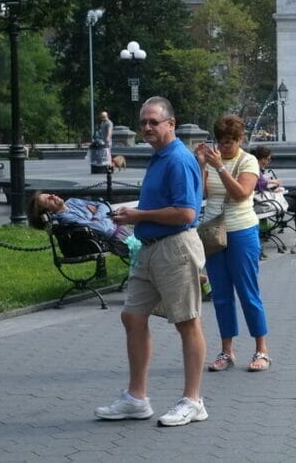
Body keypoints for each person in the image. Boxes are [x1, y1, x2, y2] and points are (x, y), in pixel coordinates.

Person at [96, 96, 207, 428]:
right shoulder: (159, 157)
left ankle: (193, 400)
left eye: (153, 122)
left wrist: (138, 214)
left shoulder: (178, 159)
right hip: (148, 246)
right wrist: (134, 216)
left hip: (175, 248)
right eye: (143, 121)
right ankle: (136, 399)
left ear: (171, 124)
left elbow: (187, 212)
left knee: (187, 322)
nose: (146, 127)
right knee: (132, 316)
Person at [194, 115, 271, 374]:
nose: (224, 146)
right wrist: (201, 164)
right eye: (221, 141)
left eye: (229, 142)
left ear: (240, 140)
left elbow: (241, 193)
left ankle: (262, 349)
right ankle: (226, 351)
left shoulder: (247, 160)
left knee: (248, 291)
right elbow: (201, 193)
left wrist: (220, 168)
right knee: (222, 295)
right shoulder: (213, 159)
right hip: (214, 232)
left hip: (241, 230)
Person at [27, 193, 131, 257]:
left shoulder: (73, 202)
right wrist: (108, 216)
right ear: (49, 211)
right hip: (117, 238)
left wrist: (96, 217)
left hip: (123, 228)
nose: (53, 196)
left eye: (49, 194)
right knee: (146, 250)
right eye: (48, 199)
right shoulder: (66, 219)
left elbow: (103, 205)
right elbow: (103, 229)